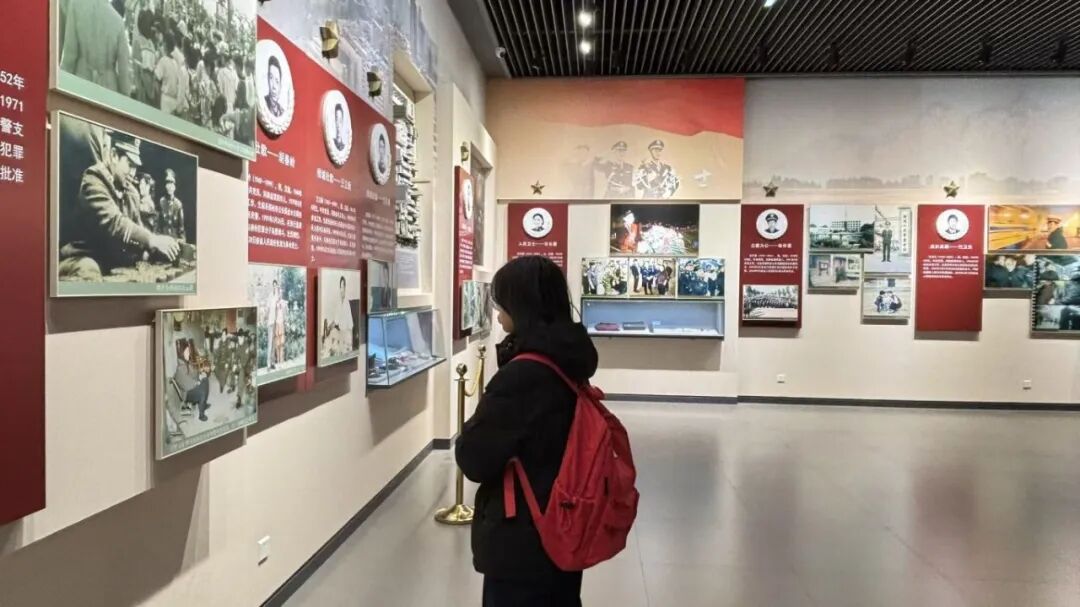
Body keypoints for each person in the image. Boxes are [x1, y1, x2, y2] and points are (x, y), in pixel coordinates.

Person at [456, 255, 598, 607]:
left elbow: (474, 458)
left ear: (521, 304)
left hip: (524, 533)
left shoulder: (524, 375)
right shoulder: (567, 358)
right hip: (564, 517)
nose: (497, 313)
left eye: (502, 302)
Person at [58, 132, 180, 281]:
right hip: (80, 258)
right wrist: (152, 239)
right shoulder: (93, 180)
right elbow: (114, 223)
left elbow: (138, 235)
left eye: (135, 167)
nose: (133, 173)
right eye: (129, 165)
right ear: (114, 155)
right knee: (88, 269)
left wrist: (155, 249)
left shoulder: (131, 192)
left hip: (111, 262)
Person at [60, 0, 132, 96]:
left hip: (81, 83)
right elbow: (124, 72)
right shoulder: (118, 20)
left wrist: (62, 85)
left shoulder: (75, 5)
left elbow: (69, 56)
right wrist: (126, 95)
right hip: (109, 90)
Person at [174, 339, 210, 422]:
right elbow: (187, 385)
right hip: (187, 394)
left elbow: (194, 373)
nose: (189, 353)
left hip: (192, 388)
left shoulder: (186, 363)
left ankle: (203, 404)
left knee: (205, 380)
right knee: (202, 391)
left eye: (188, 351)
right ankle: (201, 415)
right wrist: (198, 381)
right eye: (186, 351)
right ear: (181, 353)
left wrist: (200, 374)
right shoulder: (180, 368)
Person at [157, 169, 186, 242]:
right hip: (163, 241)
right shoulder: (161, 202)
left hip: (174, 241)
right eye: (167, 183)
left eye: (172, 183)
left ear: (175, 186)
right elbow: (157, 226)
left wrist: (181, 240)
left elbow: (181, 230)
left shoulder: (178, 204)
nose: (170, 187)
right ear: (165, 186)